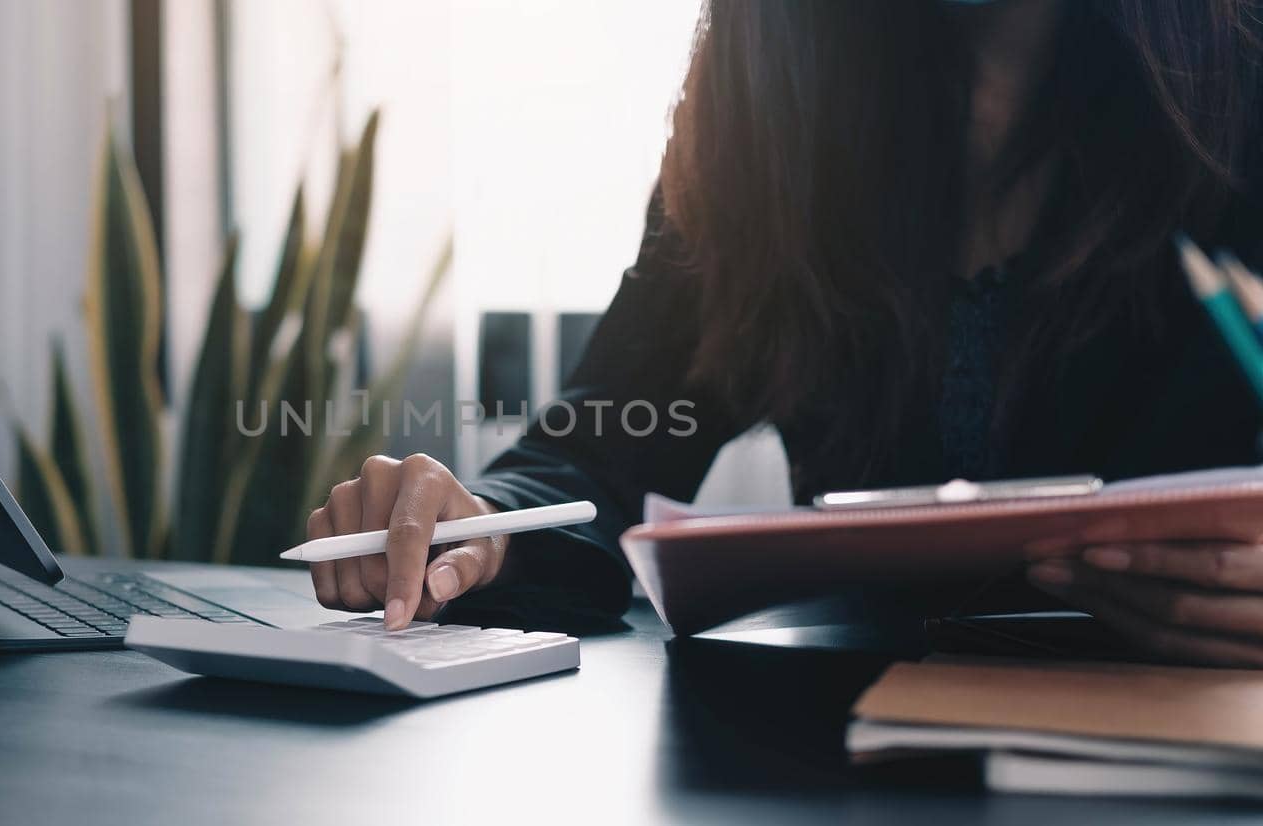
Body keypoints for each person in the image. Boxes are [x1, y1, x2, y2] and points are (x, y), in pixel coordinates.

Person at [305, 0, 1263, 665]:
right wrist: (484, 525)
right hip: (837, 751)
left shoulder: (1241, 93)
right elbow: (599, 454)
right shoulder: (762, 120)